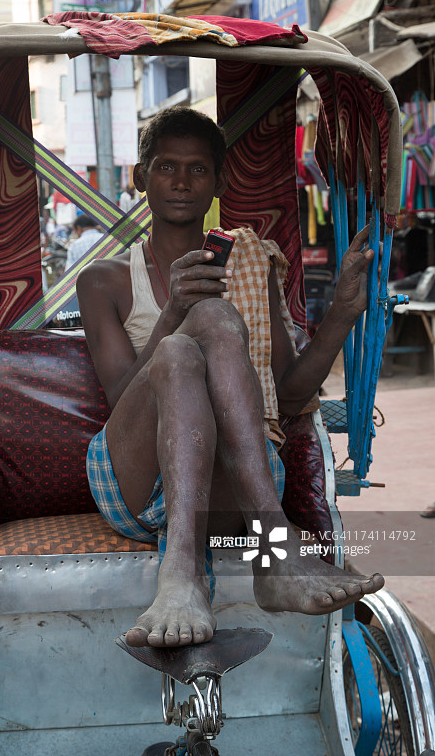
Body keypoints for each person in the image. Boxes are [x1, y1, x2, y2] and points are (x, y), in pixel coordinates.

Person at [77, 107, 384, 649]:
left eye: (198, 170)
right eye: (166, 166)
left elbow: (288, 396)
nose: (181, 181)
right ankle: (206, 566)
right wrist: (173, 310)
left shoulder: (250, 263)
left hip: (232, 479)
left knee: (215, 318)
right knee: (177, 348)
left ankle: (233, 565)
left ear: (217, 182)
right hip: (135, 470)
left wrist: (340, 313)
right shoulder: (103, 279)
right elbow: (122, 396)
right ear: (140, 176)